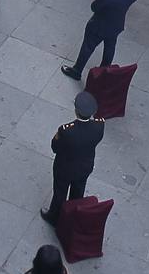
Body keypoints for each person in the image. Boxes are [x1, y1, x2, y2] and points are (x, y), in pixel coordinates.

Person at [60, 0, 139, 79]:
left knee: (88, 46)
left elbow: (94, 7)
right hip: (116, 25)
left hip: (99, 25)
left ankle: (77, 70)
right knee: (110, 48)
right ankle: (105, 71)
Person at [40, 91, 105, 227]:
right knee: (78, 191)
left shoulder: (66, 130)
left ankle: (54, 216)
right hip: (85, 166)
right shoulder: (99, 126)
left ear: (76, 111)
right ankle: (73, 214)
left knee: (60, 192)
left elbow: (55, 147)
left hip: (65, 168)